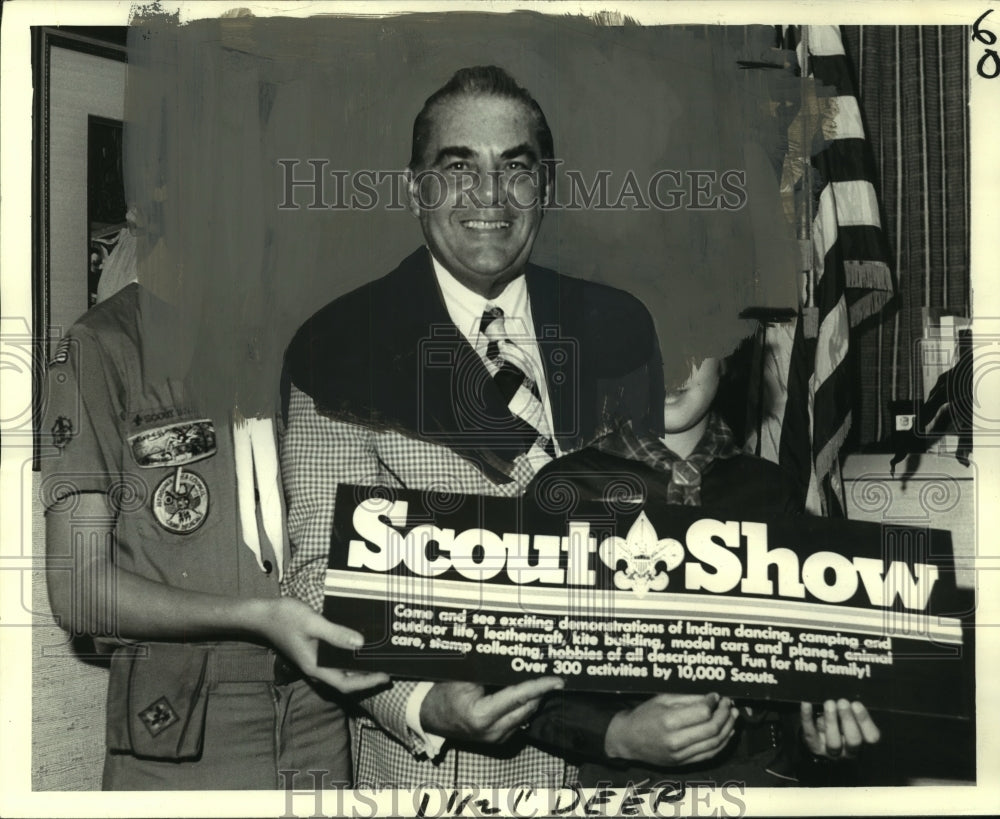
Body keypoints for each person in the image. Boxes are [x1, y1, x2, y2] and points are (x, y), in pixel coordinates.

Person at [279, 65, 678, 787]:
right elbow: (318, 579)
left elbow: (648, 543)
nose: (490, 194)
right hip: (442, 774)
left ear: (545, 188)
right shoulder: (340, 345)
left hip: (616, 763)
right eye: (457, 166)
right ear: (415, 189)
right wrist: (425, 702)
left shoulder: (616, 326)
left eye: (515, 167)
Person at [42, 281, 388, 790]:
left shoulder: (309, 331)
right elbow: (78, 595)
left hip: (319, 715)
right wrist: (257, 617)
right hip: (184, 721)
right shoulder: (101, 344)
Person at [523, 356, 882, 787]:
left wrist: (817, 740)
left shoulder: (771, 490)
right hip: (618, 783)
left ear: (728, 359)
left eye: (692, 345)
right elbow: (513, 669)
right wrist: (616, 734)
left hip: (763, 776)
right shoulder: (562, 487)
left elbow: (796, 669)